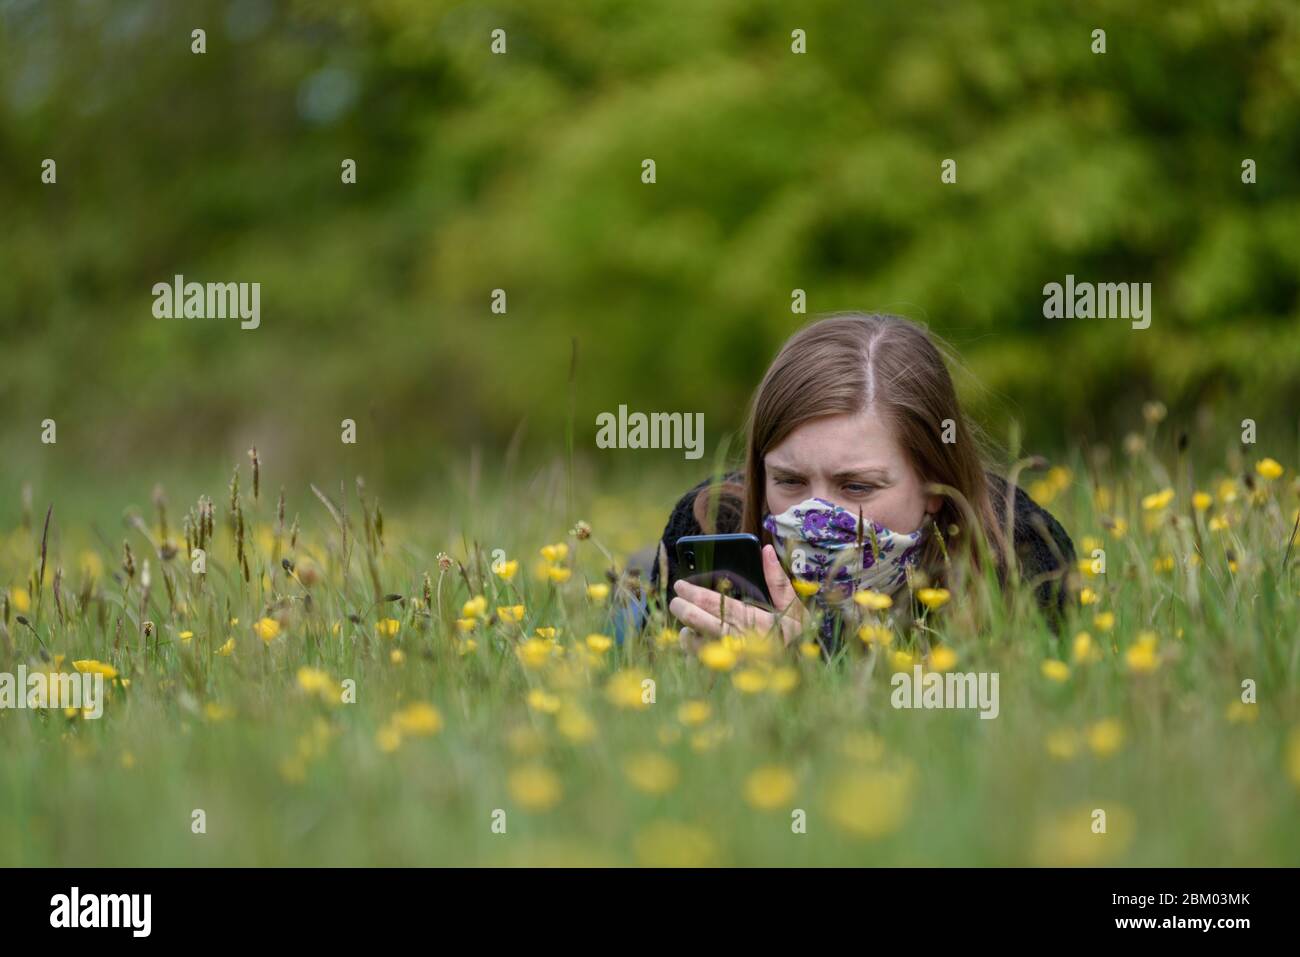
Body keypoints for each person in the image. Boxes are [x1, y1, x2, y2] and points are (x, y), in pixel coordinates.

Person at [643, 311, 1077, 654]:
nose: (814, 516)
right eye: (789, 480)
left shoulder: (1021, 547)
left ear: (935, 487)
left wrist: (807, 662)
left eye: (855, 487)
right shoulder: (711, 525)